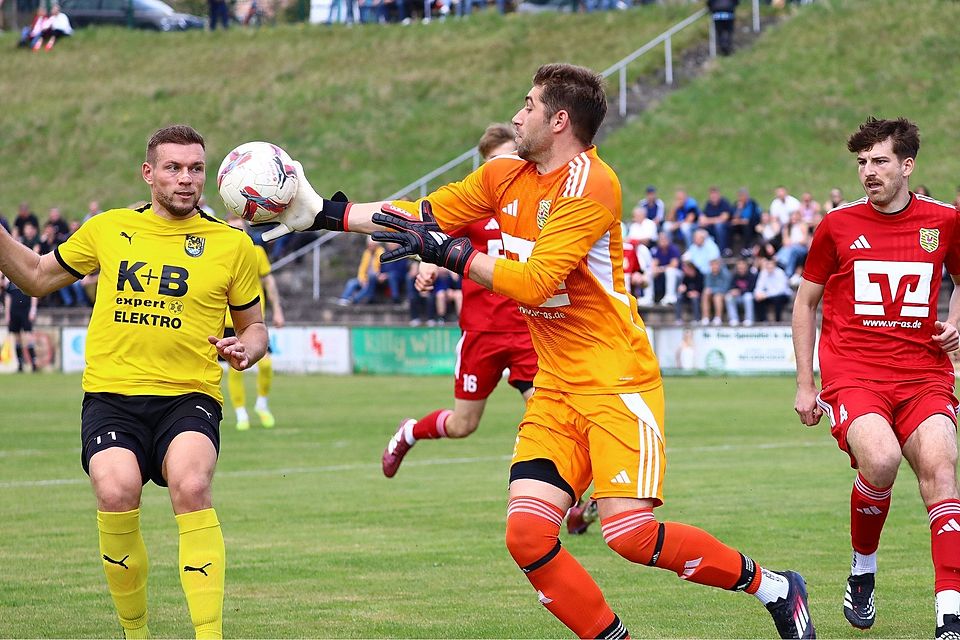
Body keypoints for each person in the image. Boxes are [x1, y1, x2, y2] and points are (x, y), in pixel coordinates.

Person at [265, 63, 814, 639]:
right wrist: (325, 213)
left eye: (526, 105)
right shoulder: (505, 173)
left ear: (558, 121)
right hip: (555, 386)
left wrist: (449, 255)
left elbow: (534, 282)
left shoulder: (591, 185)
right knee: (526, 535)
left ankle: (776, 588)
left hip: (615, 384)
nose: (515, 114)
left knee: (629, 535)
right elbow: (421, 215)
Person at [0, 124, 267, 639]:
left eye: (195, 169)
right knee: (116, 489)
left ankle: (209, 636)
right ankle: (136, 633)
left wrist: (245, 350)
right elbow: (34, 275)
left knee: (192, 484)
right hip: (112, 398)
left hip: (188, 397)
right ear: (149, 173)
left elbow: (253, 327)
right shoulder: (108, 228)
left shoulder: (231, 244)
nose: (186, 179)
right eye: (173, 168)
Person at [792, 116, 960, 639]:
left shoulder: (946, 221)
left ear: (907, 166)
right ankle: (862, 569)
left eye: (880, 161)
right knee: (882, 460)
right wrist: (805, 383)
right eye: (862, 162)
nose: (869, 171)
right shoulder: (838, 225)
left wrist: (954, 325)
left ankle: (949, 615)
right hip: (854, 374)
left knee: (940, 470)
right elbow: (806, 303)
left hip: (923, 373)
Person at [381, 122, 538, 478]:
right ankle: (410, 432)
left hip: (529, 329)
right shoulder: (476, 207)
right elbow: (436, 238)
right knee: (463, 423)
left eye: (512, 157)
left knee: (546, 417)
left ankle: (563, 500)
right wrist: (428, 269)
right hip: (482, 330)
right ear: (484, 167)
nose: (506, 167)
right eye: (496, 162)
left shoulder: (534, 203)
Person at [225, 215, 285, 431]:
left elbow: (268, 281)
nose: (239, 233)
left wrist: (277, 310)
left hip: (251, 321)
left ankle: (262, 404)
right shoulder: (220, 255)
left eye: (242, 229)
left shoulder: (255, 252)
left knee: (266, 364)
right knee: (235, 369)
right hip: (227, 320)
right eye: (234, 229)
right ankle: (241, 413)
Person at [4, 275, 38, 372]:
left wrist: (33, 310)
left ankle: (33, 363)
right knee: (17, 338)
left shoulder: (25, 281)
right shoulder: (10, 284)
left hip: (25, 312)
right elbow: (8, 299)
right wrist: (7, 314)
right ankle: (20, 364)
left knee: (28, 336)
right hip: (14, 312)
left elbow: (34, 295)